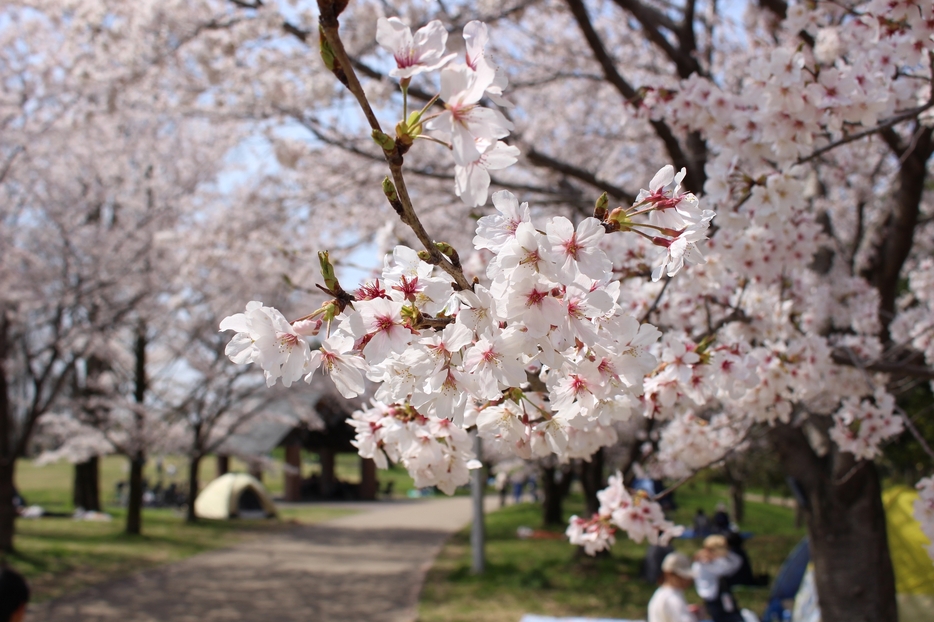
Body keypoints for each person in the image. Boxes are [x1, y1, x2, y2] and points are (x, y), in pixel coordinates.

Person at [693, 535, 744, 622]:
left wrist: (728, 554)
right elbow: (720, 571)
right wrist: (708, 559)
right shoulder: (701, 563)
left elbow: (737, 562)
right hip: (712, 596)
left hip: (723, 593)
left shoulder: (717, 560)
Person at [648, 552, 699, 622]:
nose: (687, 580)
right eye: (681, 576)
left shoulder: (663, 593)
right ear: (669, 573)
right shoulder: (671, 598)